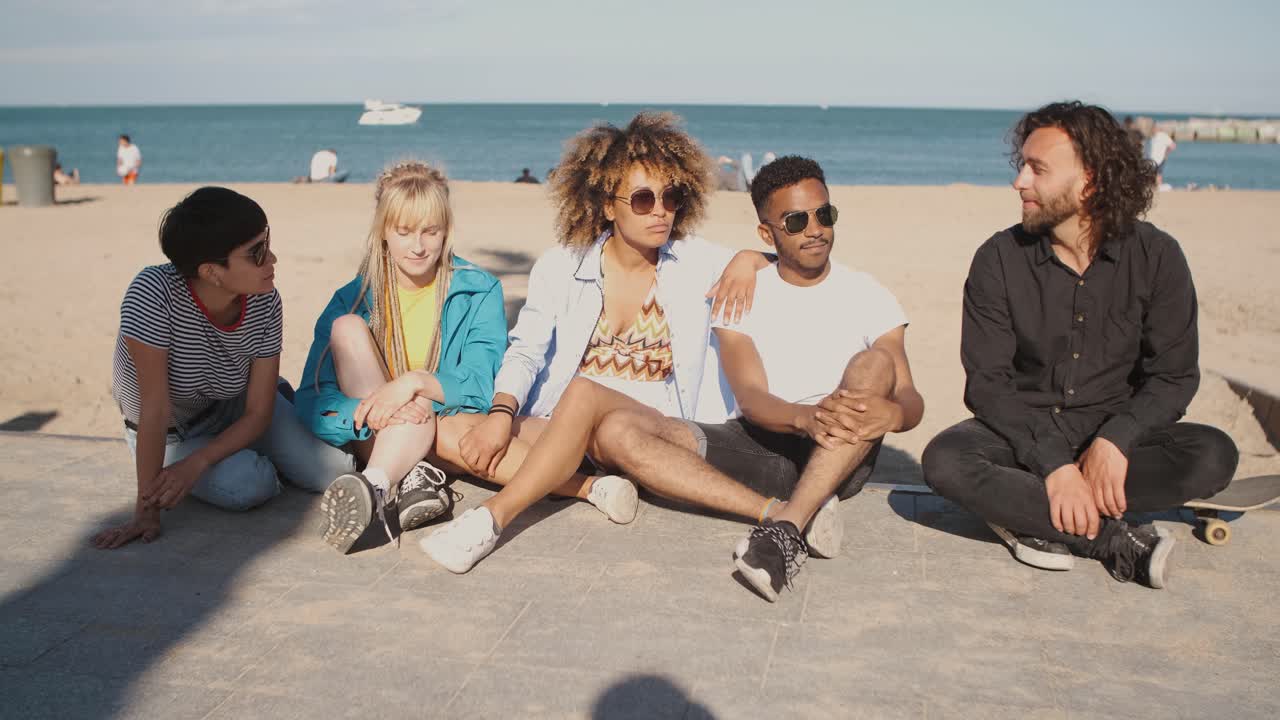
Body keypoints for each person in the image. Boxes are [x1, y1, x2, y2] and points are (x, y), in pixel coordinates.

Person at [418, 112, 777, 573]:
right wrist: (500, 414)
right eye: (644, 199)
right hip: (572, 432)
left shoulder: (696, 263)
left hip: (648, 433)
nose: (661, 210)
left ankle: (491, 520)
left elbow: (784, 262)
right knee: (449, 432)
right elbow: (525, 351)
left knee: (584, 392)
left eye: (672, 196)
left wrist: (748, 259)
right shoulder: (559, 267)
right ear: (608, 205)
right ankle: (595, 488)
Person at [922, 101, 1238, 590]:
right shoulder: (998, 259)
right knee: (946, 460)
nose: (1019, 182)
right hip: (1021, 433)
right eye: (1021, 165)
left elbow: (1174, 377)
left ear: (1090, 180)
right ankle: (1110, 539)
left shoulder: (1157, 257)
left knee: (1214, 455)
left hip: (1112, 435)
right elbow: (987, 385)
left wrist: (1118, 438)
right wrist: (1055, 467)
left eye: (1037, 169)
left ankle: (1027, 514)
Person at [93, 187, 352, 550]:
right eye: (257, 253)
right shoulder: (151, 295)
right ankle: (264, 454)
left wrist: (198, 465)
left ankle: (270, 441)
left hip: (239, 409)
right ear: (211, 272)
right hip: (171, 433)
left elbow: (258, 412)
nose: (272, 258)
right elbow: (154, 408)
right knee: (248, 485)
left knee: (336, 471)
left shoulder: (265, 301)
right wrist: (146, 510)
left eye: (268, 243)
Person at [296, 162, 509, 553]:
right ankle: (405, 477)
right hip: (376, 430)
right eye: (404, 231)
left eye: (431, 231)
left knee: (422, 402)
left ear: (446, 231)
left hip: (443, 423)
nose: (418, 246)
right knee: (346, 328)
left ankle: (374, 485)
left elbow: (482, 383)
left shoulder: (478, 290)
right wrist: (370, 409)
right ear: (383, 232)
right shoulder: (353, 297)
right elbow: (312, 398)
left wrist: (413, 384)